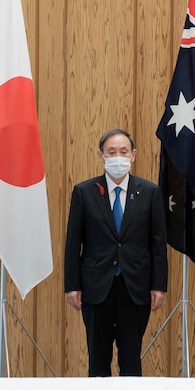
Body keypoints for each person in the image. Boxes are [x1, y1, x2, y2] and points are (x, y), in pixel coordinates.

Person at [64, 128, 168, 376]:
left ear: (133, 155)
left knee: (131, 360)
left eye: (123, 152)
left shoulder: (150, 192)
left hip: (135, 287)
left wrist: (159, 285)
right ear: (101, 155)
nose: (118, 157)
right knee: (98, 360)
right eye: (112, 152)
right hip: (96, 287)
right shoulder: (84, 192)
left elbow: (158, 244)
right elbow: (72, 243)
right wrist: (72, 285)